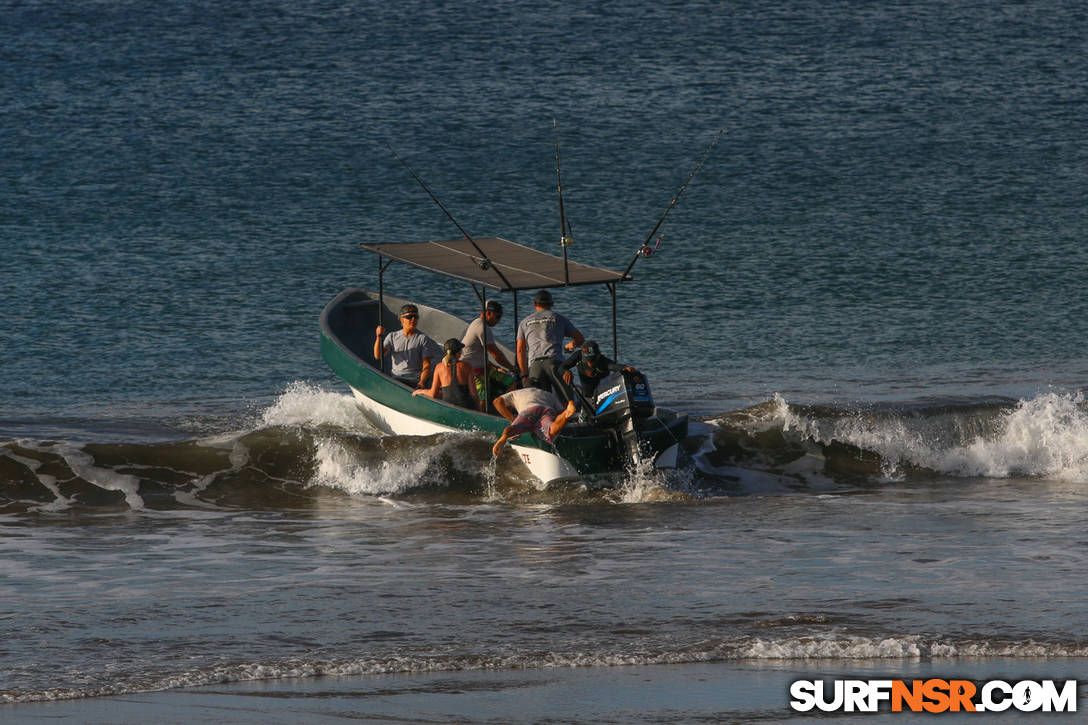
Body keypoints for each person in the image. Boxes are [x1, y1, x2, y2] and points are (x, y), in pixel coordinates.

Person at [515, 289, 584, 404]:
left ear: (535, 304)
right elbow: (580, 339)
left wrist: (524, 375)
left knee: (541, 403)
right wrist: (570, 345)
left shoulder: (524, 322)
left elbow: (520, 350)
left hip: (535, 366)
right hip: (555, 363)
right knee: (568, 402)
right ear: (552, 304)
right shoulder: (559, 318)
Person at [491, 387, 578, 458]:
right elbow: (559, 411)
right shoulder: (549, 394)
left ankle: (504, 437)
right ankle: (567, 411)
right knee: (552, 429)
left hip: (529, 410)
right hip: (547, 410)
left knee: (514, 428)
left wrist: (513, 420)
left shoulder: (516, 393)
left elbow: (497, 402)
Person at [460, 299, 517, 403]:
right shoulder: (482, 328)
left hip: (483, 367)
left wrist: (495, 367)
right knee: (483, 398)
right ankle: (498, 409)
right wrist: (512, 368)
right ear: (488, 313)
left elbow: (478, 354)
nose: (499, 321)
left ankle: (502, 405)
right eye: (498, 317)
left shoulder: (476, 323)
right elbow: (495, 354)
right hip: (474, 371)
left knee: (511, 382)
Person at [373, 303, 437, 389]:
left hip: (415, 379)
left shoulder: (423, 339)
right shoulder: (392, 336)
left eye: (416, 316)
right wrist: (379, 337)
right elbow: (378, 356)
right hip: (397, 378)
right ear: (401, 319)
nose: (413, 319)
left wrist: (422, 382)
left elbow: (427, 365)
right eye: (409, 317)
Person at [560, 339, 640, 401]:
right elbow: (562, 367)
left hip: (603, 396)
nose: (589, 363)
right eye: (587, 360)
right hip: (586, 396)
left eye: (592, 360)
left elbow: (615, 366)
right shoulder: (578, 356)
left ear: (598, 356)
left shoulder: (603, 361)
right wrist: (566, 371)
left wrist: (626, 369)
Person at [413, 338, 479, 410]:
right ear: (458, 353)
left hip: (447, 407)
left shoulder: (439, 367)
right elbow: (474, 394)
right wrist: (479, 410)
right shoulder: (467, 366)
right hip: (465, 407)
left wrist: (421, 391)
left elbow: (433, 394)